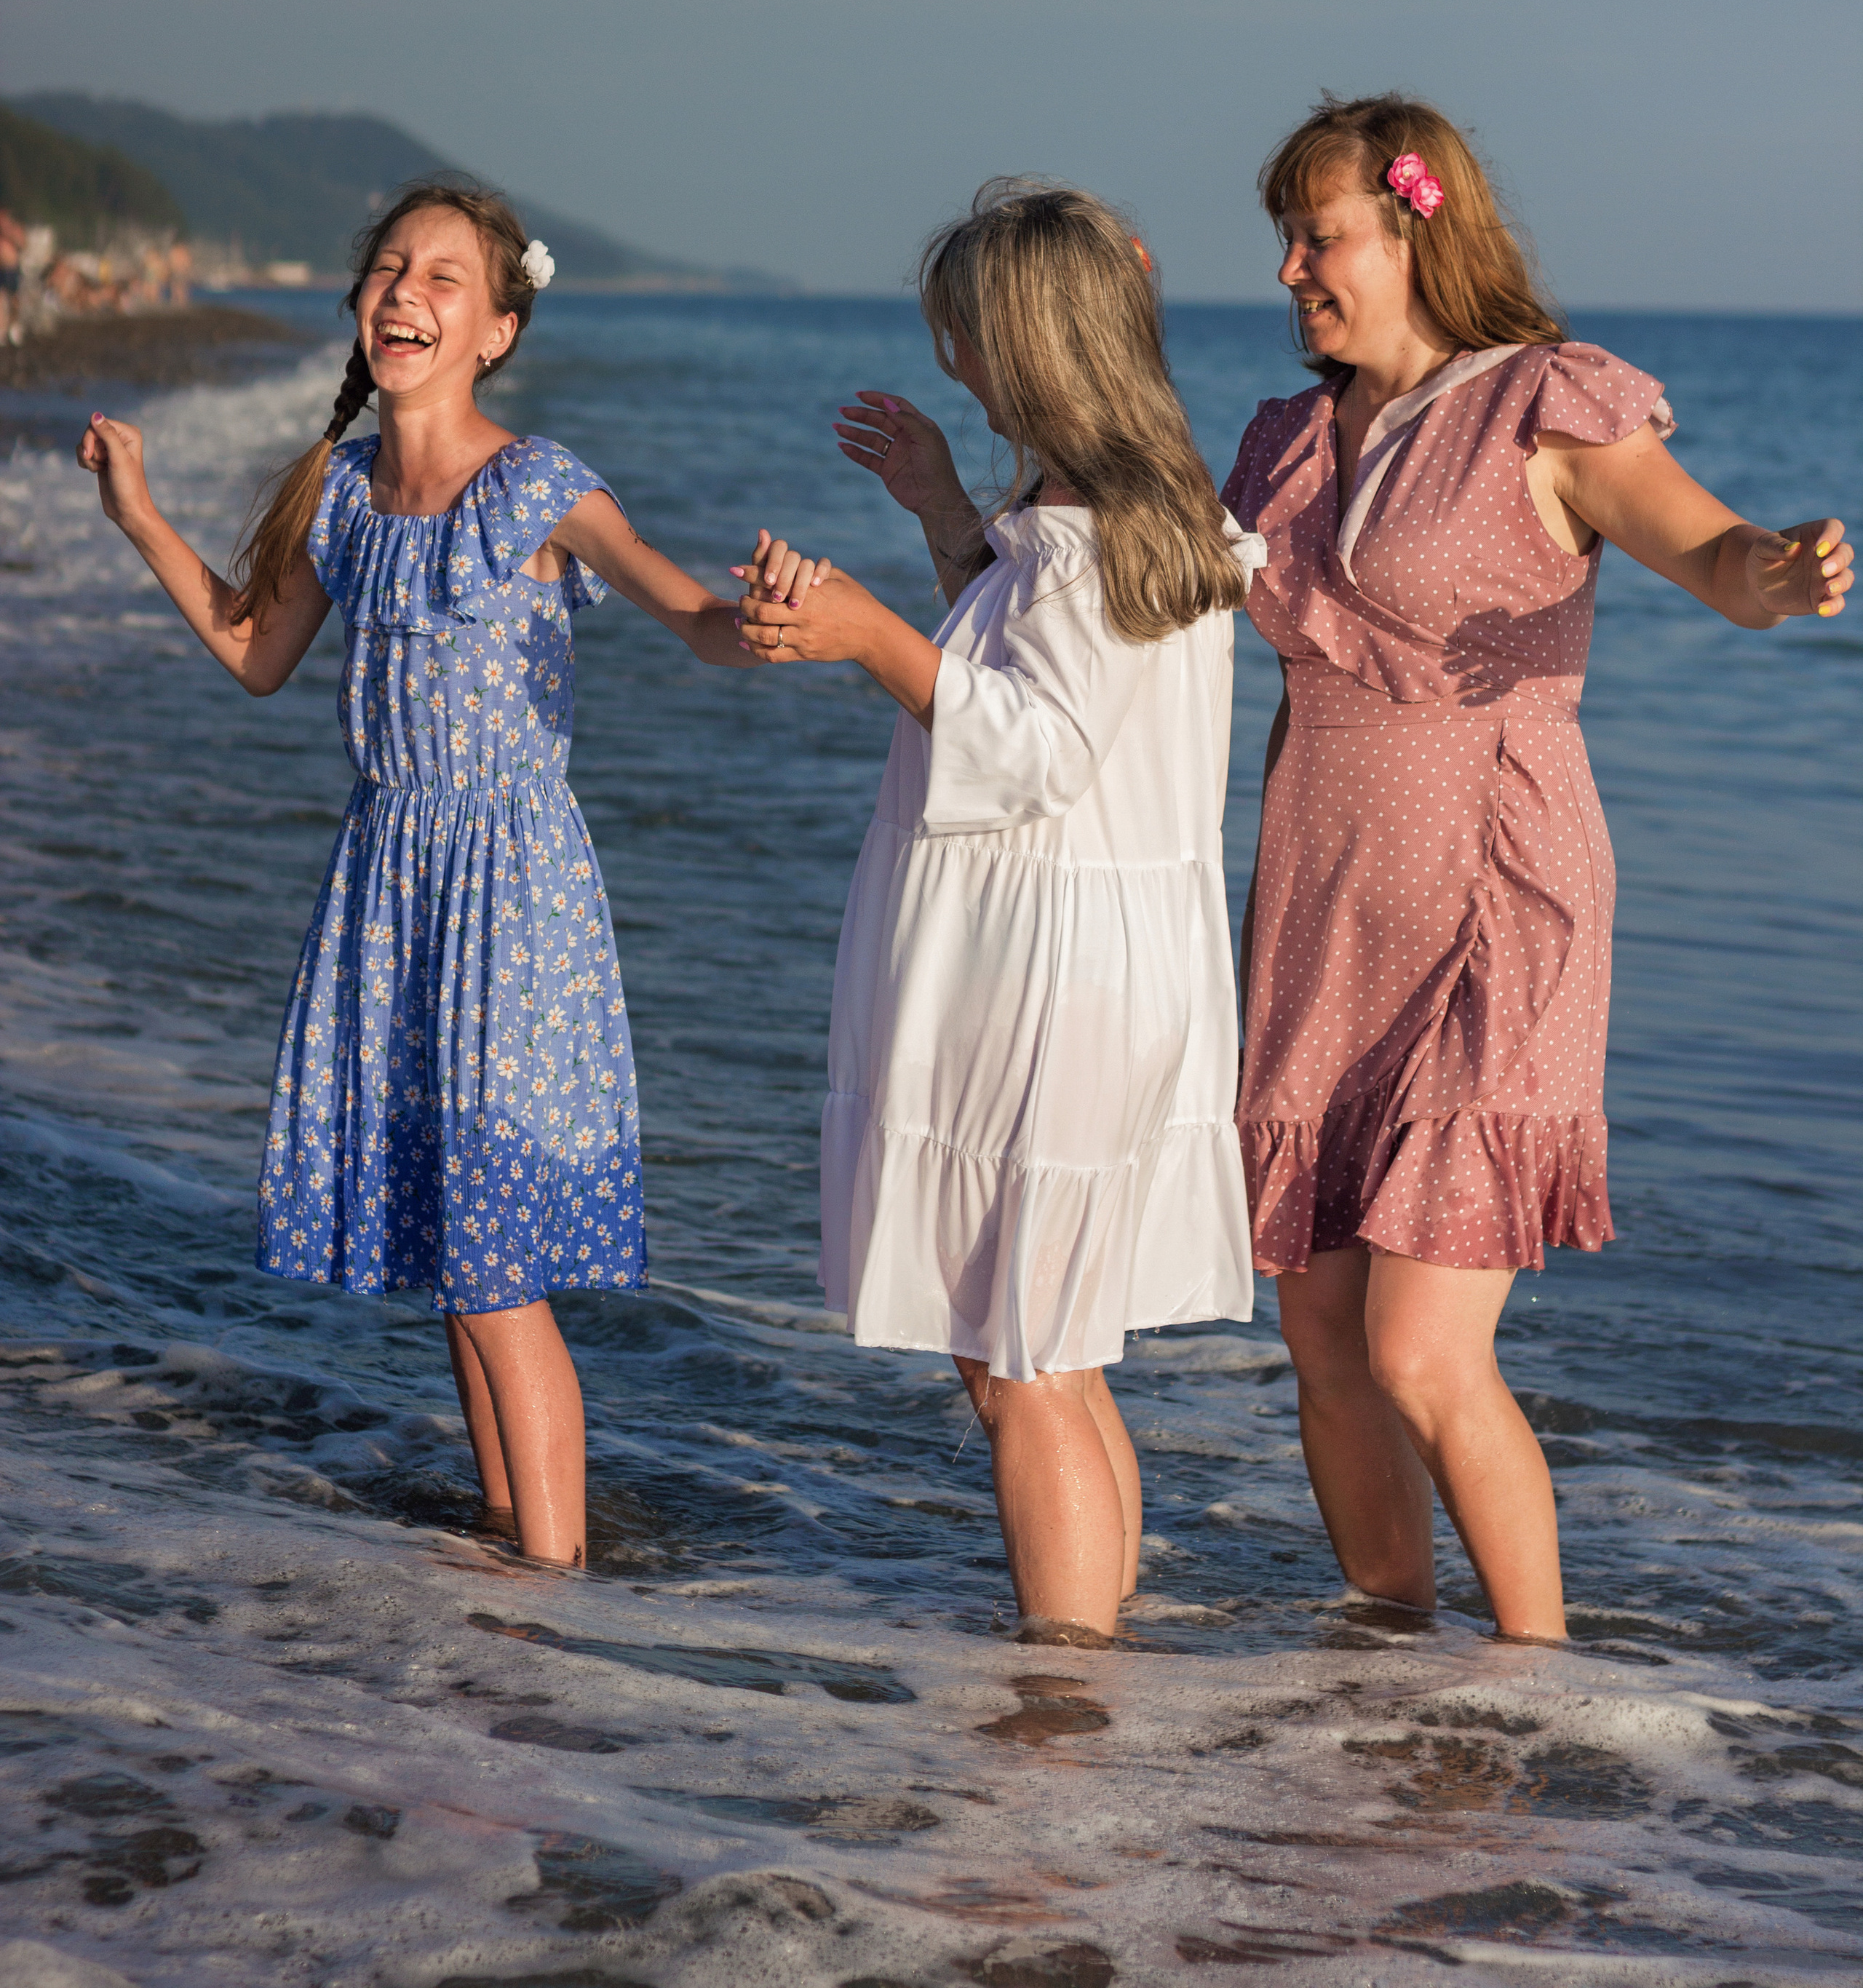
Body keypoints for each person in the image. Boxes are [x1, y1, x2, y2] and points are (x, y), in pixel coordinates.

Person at [78, 178, 824, 1569]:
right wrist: (137, 517)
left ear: (495, 328)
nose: (406, 292)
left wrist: (775, 621)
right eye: (389, 269)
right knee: (447, 1258)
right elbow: (254, 656)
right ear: (362, 304)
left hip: (511, 899)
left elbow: (690, 616)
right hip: (387, 886)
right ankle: (502, 1551)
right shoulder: (344, 497)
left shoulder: (540, 485)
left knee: (494, 1274)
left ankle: (550, 1600)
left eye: (443, 278)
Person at [1220, 95, 1852, 1642]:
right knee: (1318, 1335)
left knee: (1424, 1350)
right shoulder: (1284, 440)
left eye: (1321, 235)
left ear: (1417, 227)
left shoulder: (1543, 408)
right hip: (1317, 895)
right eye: (1284, 240)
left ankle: (1531, 1683)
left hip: (1496, 893)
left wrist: (1769, 569)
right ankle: (1385, 1661)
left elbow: (1702, 551)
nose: (1293, 268)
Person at [737, 180, 1261, 1640]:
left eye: (960, 333)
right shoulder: (1100, 510)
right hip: (1089, 953)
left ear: (1022, 343)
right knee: (1035, 1348)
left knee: (1023, 1354)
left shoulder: (1096, 527)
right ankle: (1092, 1652)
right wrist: (943, 514)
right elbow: (1033, 661)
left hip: (1052, 970)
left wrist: (862, 635)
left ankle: (1061, 1705)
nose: (949, 356)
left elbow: (1033, 750)